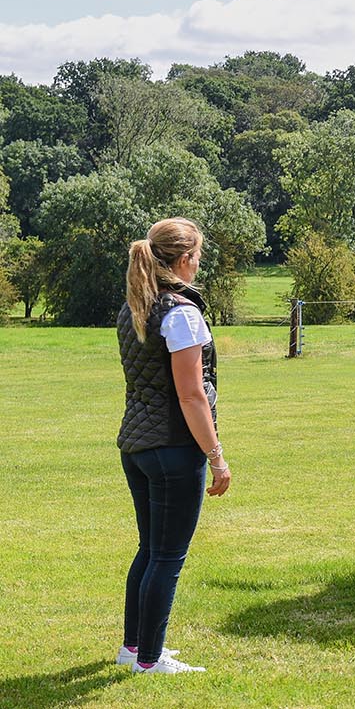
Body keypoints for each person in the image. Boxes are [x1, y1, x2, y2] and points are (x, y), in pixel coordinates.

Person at [115, 217, 232, 674]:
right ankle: (149, 659)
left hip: (138, 445)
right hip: (172, 448)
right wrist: (216, 457)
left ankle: (133, 648)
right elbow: (191, 394)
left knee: (150, 550)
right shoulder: (182, 313)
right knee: (167, 556)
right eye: (198, 256)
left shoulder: (136, 306)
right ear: (185, 259)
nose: (199, 263)